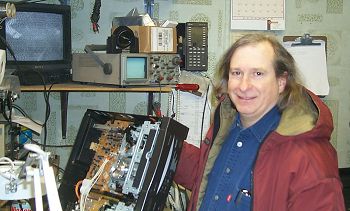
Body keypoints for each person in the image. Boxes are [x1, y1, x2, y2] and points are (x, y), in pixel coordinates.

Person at [174, 33, 345, 211]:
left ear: (281, 82)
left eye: (258, 73)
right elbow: (207, 176)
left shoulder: (310, 160)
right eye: (237, 73)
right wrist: (166, 145)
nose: (244, 86)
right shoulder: (228, 123)